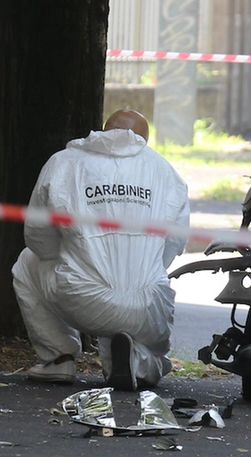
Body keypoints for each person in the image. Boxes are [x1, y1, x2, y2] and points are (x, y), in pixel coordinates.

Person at [12, 110, 190, 391]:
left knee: (26, 263)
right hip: (147, 307)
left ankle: (58, 358)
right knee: (152, 333)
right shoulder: (165, 171)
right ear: (143, 139)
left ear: (105, 130)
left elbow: (37, 238)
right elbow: (172, 248)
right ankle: (137, 360)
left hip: (83, 299)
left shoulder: (64, 163)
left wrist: (73, 256)